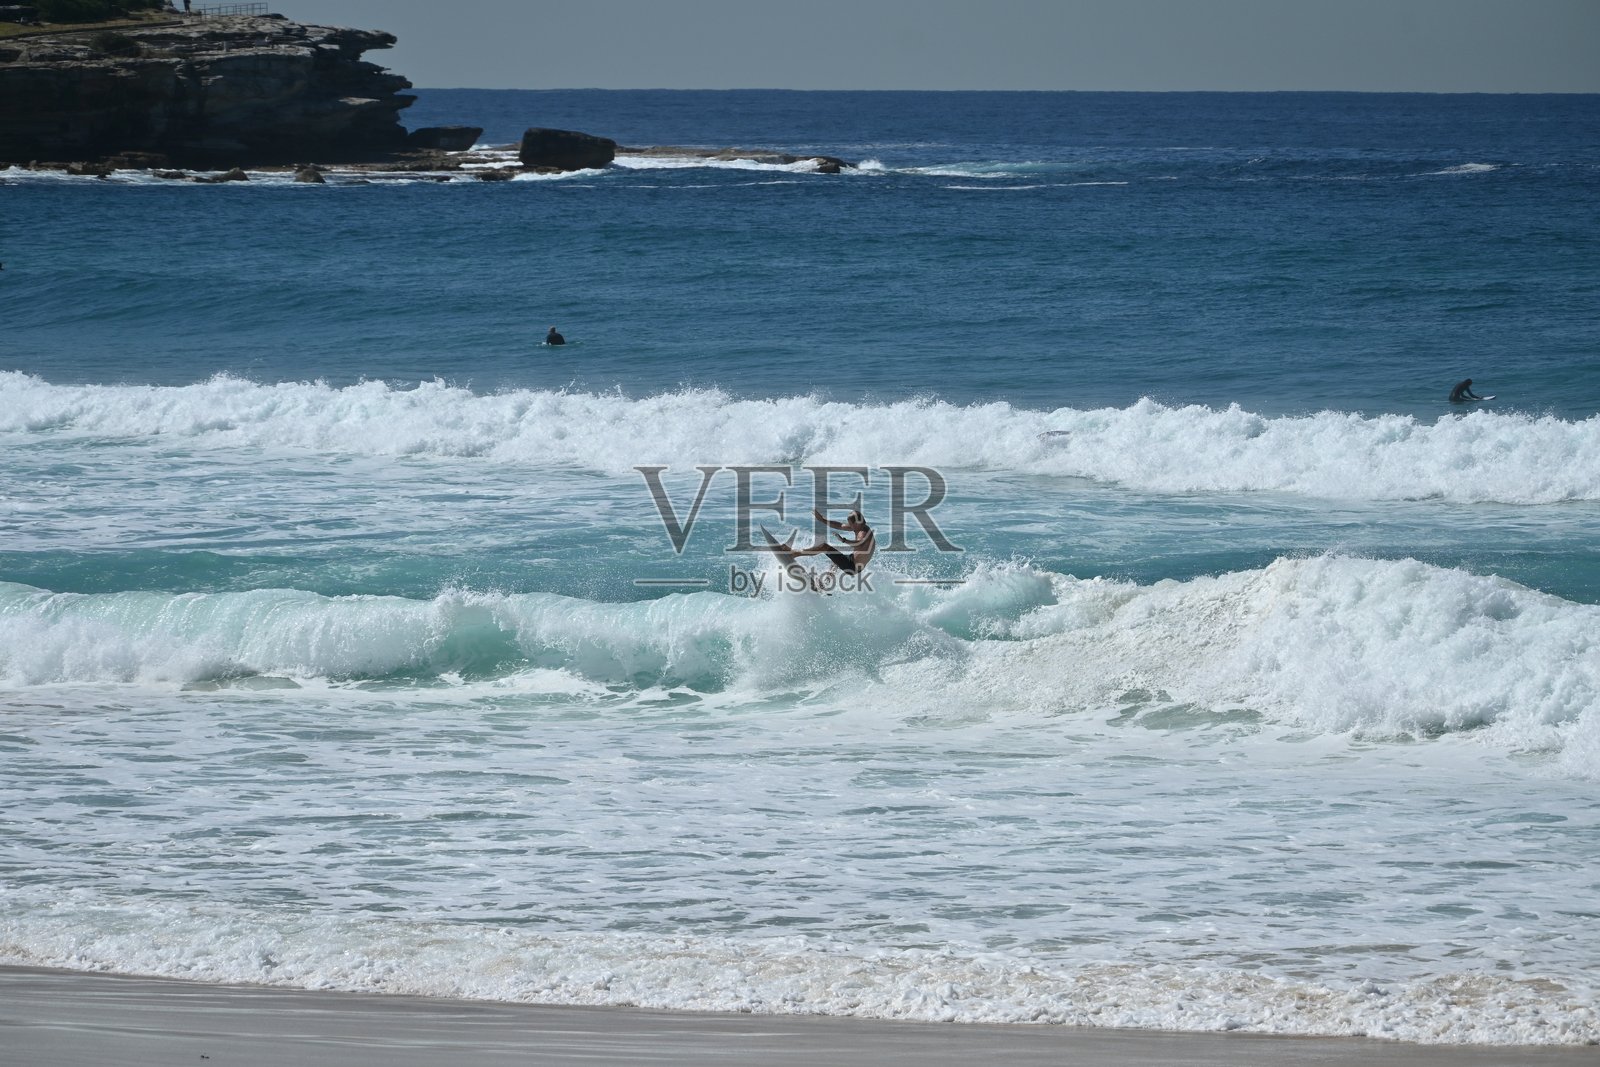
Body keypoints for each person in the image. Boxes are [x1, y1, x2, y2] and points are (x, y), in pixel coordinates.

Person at [791, 508, 876, 575]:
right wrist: (822, 520)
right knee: (835, 561)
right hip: (854, 561)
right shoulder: (860, 526)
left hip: (852, 566)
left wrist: (843, 540)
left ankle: (795, 553)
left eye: (850, 524)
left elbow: (859, 543)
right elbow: (840, 525)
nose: (849, 526)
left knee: (824, 547)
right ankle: (826, 583)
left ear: (856, 523)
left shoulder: (863, 533)